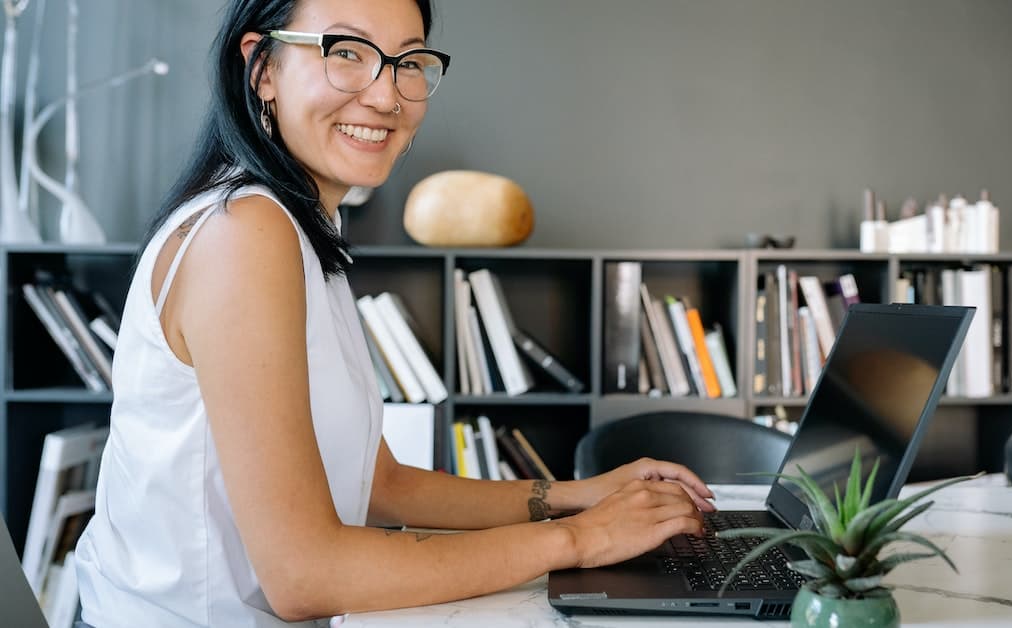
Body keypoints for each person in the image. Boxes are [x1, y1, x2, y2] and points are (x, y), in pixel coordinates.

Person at [72, 0, 714, 626]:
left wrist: (577, 495)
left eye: (409, 62)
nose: (387, 96)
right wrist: (582, 539)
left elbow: (381, 482)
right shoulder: (245, 233)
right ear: (262, 67)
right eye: (346, 52)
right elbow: (305, 575)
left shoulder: (301, 225)